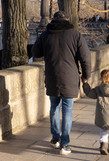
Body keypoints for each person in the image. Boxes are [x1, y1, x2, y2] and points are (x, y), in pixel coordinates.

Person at [31, 11, 91, 155]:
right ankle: (65, 144)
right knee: (67, 110)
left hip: (52, 76)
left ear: (53, 19)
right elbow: (85, 57)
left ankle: (55, 138)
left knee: (54, 107)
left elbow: (35, 52)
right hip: (70, 77)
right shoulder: (75, 35)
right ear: (68, 19)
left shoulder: (46, 34)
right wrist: (85, 75)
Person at [82, 69, 109, 155]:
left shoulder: (98, 89)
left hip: (102, 115)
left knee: (103, 130)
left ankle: (103, 146)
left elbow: (89, 93)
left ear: (101, 79)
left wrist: (85, 83)